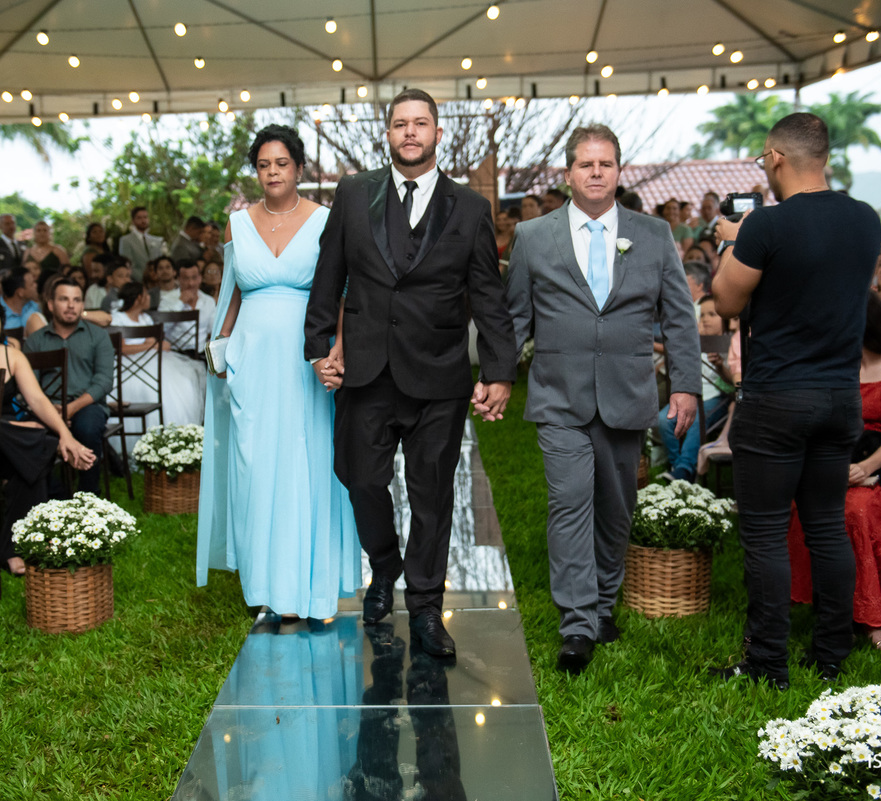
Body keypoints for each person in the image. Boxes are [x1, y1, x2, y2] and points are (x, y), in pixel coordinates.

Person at [304, 91, 518, 656]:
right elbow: (330, 273)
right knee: (360, 478)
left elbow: (488, 296)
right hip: (366, 372)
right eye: (400, 124)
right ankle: (384, 563)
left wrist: (499, 368)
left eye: (420, 123)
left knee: (432, 496)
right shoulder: (352, 194)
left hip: (438, 377)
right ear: (389, 134)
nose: (410, 132)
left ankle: (425, 608)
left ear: (438, 134)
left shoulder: (470, 208)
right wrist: (317, 347)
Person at [505, 123, 701, 675]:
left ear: (618, 172)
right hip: (558, 396)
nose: (596, 172)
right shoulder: (533, 237)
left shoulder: (654, 234)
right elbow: (515, 317)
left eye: (605, 164)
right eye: (585, 164)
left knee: (617, 507)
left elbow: (680, 318)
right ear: (568, 173)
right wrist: (497, 376)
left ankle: (604, 601)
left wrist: (685, 384)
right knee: (569, 502)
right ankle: (577, 622)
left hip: (627, 393)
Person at [710, 111, 881, 688]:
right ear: (826, 157)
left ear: (777, 159)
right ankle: (831, 655)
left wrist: (732, 245)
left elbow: (727, 301)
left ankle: (767, 664)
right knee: (826, 526)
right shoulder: (866, 220)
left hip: (778, 397)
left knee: (762, 532)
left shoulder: (765, 225)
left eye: (764, 160)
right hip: (841, 395)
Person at [199, 123, 361, 621]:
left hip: (306, 358)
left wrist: (338, 348)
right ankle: (265, 586)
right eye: (264, 164)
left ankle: (312, 588)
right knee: (256, 467)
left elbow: (340, 293)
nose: (272, 172)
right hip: (251, 359)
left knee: (308, 464)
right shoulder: (237, 223)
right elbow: (234, 293)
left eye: (282, 163)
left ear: (299, 168)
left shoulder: (325, 220)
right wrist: (219, 348)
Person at [787, 292, 881, 651]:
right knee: (801, 508)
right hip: (831, 461)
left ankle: (870, 619)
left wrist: (863, 469)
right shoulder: (835, 365)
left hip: (879, 466)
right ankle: (828, 609)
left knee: (857, 512)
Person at [0, 291, 95, 576]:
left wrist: (65, 435)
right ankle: (24, 540)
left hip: (12, 447)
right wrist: (21, 427)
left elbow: (37, 401)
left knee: (29, 459)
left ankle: (11, 552)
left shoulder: (13, 355)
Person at [23, 278, 114, 494]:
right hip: (46, 406)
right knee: (27, 433)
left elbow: (104, 380)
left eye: (77, 300)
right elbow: (29, 385)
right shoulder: (35, 341)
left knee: (88, 428)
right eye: (64, 299)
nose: (71, 305)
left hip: (86, 405)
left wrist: (71, 408)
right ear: (51, 304)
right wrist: (51, 410)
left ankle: (89, 497)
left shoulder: (98, 336)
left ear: (83, 305)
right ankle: (55, 495)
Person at [110, 281, 205, 430]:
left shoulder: (145, 318)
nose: (149, 298)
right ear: (138, 298)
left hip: (149, 360)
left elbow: (156, 343)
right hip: (125, 364)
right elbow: (122, 348)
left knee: (182, 384)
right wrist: (150, 346)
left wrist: (151, 345)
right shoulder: (118, 318)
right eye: (146, 294)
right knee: (147, 388)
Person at [659, 295, 732, 482]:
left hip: (718, 397)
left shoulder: (731, 342)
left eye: (712, 315)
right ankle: (680, 469)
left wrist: (720, 366)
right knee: (663, 420)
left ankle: (683, 469)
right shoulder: (694, 341)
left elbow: (731, 385)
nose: (705, 319)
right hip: (695, 394)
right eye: (702, 315)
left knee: (695, 420)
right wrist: (693, 340)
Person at [158, 261, 215, 352]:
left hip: (201, 354)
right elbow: (161, 328)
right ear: (179, 279)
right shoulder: (167, 299)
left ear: (200, 278)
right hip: (175, 354)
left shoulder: (209, 301)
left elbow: (213, 330)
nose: (191, 283)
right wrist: (180, 302)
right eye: (186, 278)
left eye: (194, 278)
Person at [118, 206, 165, 281]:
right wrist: (145, 279)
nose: (143, 220)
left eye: (145, 217)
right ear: (133, 221)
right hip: (138, 282)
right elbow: (127, 265)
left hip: (157, 282)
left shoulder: (156, 240)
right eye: (139, 218)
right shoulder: (125, 240)